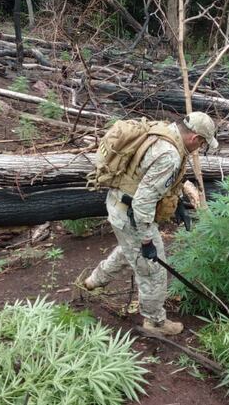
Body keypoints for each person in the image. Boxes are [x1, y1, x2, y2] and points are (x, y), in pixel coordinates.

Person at [84, 112, 219, 336]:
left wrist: (178, 203)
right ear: (195, 138)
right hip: (131, 214)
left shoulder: (166, 130)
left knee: (130, 250)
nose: (200, 148)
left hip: (119, 204)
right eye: (203, 143)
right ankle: (154, 321)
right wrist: (147, 239)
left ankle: (94, 281)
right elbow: (143, 203)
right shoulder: (169, 155)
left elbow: (150, 179)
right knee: (152, 270)